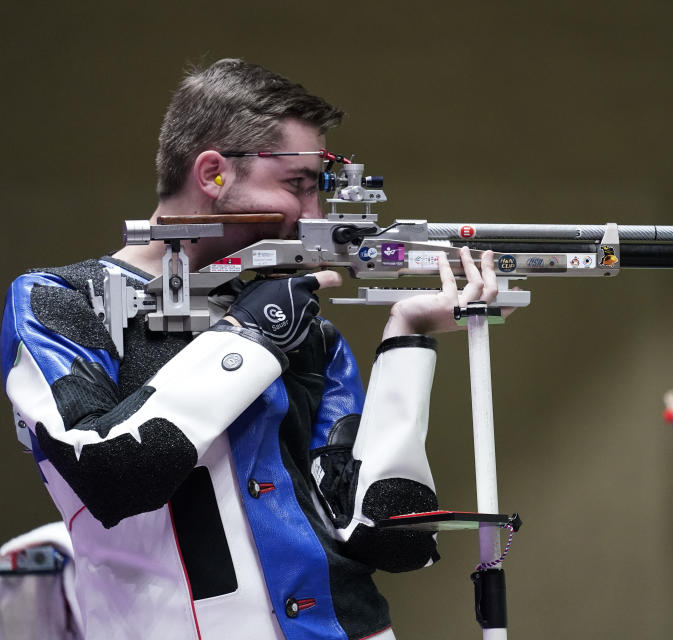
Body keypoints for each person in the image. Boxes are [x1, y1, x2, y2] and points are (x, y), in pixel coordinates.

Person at [1, 58, 501, 640]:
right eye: (297, 186)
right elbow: (111, 475)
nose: (313, 217)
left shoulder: (304, 330)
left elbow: (384, 536)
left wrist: (408, 337)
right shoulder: (61, 300)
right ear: (212, 173)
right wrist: (251, 336)